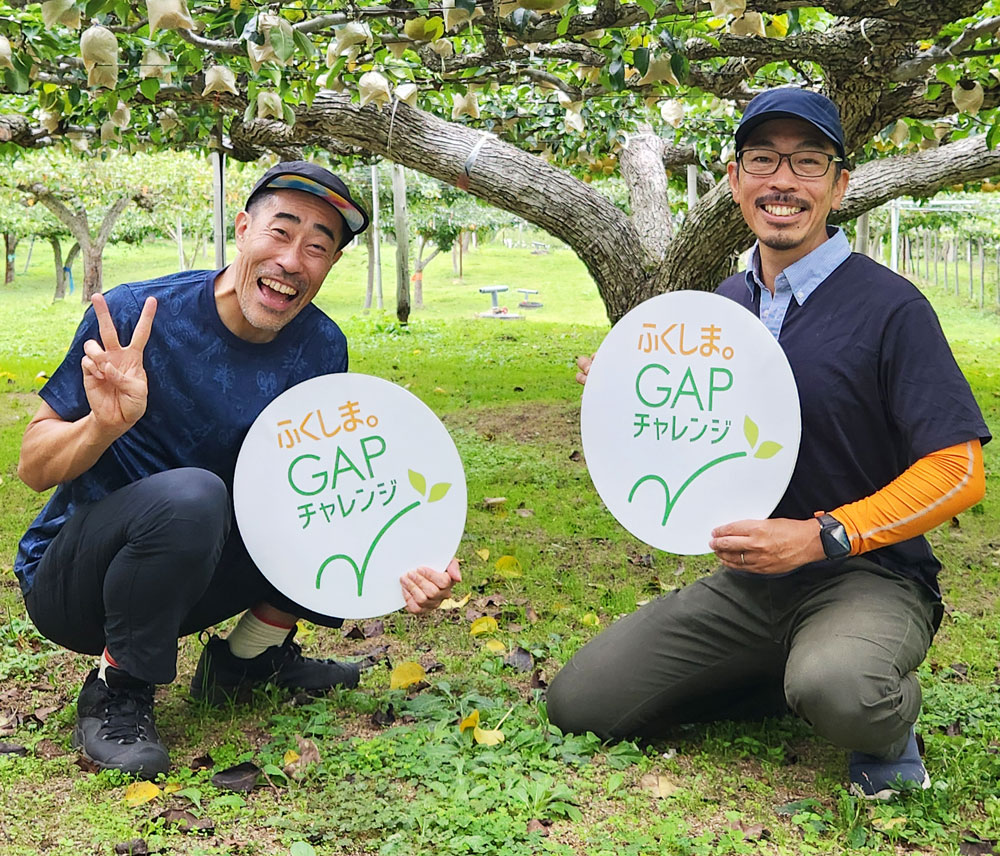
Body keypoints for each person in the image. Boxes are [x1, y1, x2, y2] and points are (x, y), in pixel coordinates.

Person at [547, 87, 990, 798]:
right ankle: (785, 673)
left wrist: (823, 537)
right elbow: (704, 439)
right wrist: (623, 394)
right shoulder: (724, 306)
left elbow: (958, 470)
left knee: (842, 690)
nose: (782, 181)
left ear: (840, 185)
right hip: (753, 584)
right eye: (762, 159)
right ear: (734, 179)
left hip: (868, 574)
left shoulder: (890, 308)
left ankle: (877, 712)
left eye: (808, 162)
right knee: (582, 704)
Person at [15, 160, 461, 779]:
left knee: (319, 489)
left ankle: (247, 660)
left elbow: (337, 480)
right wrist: (104, 425)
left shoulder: (321, 346)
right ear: (243, 228)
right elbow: (33, 468)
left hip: (196, 571)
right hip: (78, 581)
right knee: (196, 494)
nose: (292, 260)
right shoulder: (136, 317)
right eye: (281, 232)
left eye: (317, 247)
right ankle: (119, 690)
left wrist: (413, 557)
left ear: (328, 267)